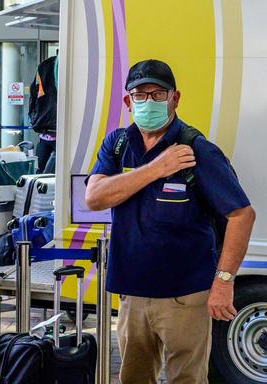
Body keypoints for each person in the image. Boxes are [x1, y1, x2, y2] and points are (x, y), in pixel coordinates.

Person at [85, 59, 255, 383]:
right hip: (132, 295)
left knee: (186, 379)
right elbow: (94, 197)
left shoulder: (197, 150)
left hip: (185, 297)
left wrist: (223, 281)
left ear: (175, 98)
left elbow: (241, 214)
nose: (148, 102)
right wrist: (156, 169)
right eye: (140, 94)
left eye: (158, 94)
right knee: (133, 379)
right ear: (128, 101)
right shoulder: (118, 145)